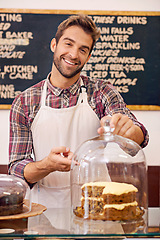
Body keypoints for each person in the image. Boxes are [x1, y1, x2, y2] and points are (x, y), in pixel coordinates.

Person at [9, 14, 149, 209]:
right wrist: (47, 165)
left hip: (99, 208)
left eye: (83, 49)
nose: (74, 54)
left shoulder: (102, 92)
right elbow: (16, 170)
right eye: (68, 44)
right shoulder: (24, 102)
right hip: (45, 212)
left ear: (88, 56)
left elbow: (139, 137)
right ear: (54, 45)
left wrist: (129, 131)